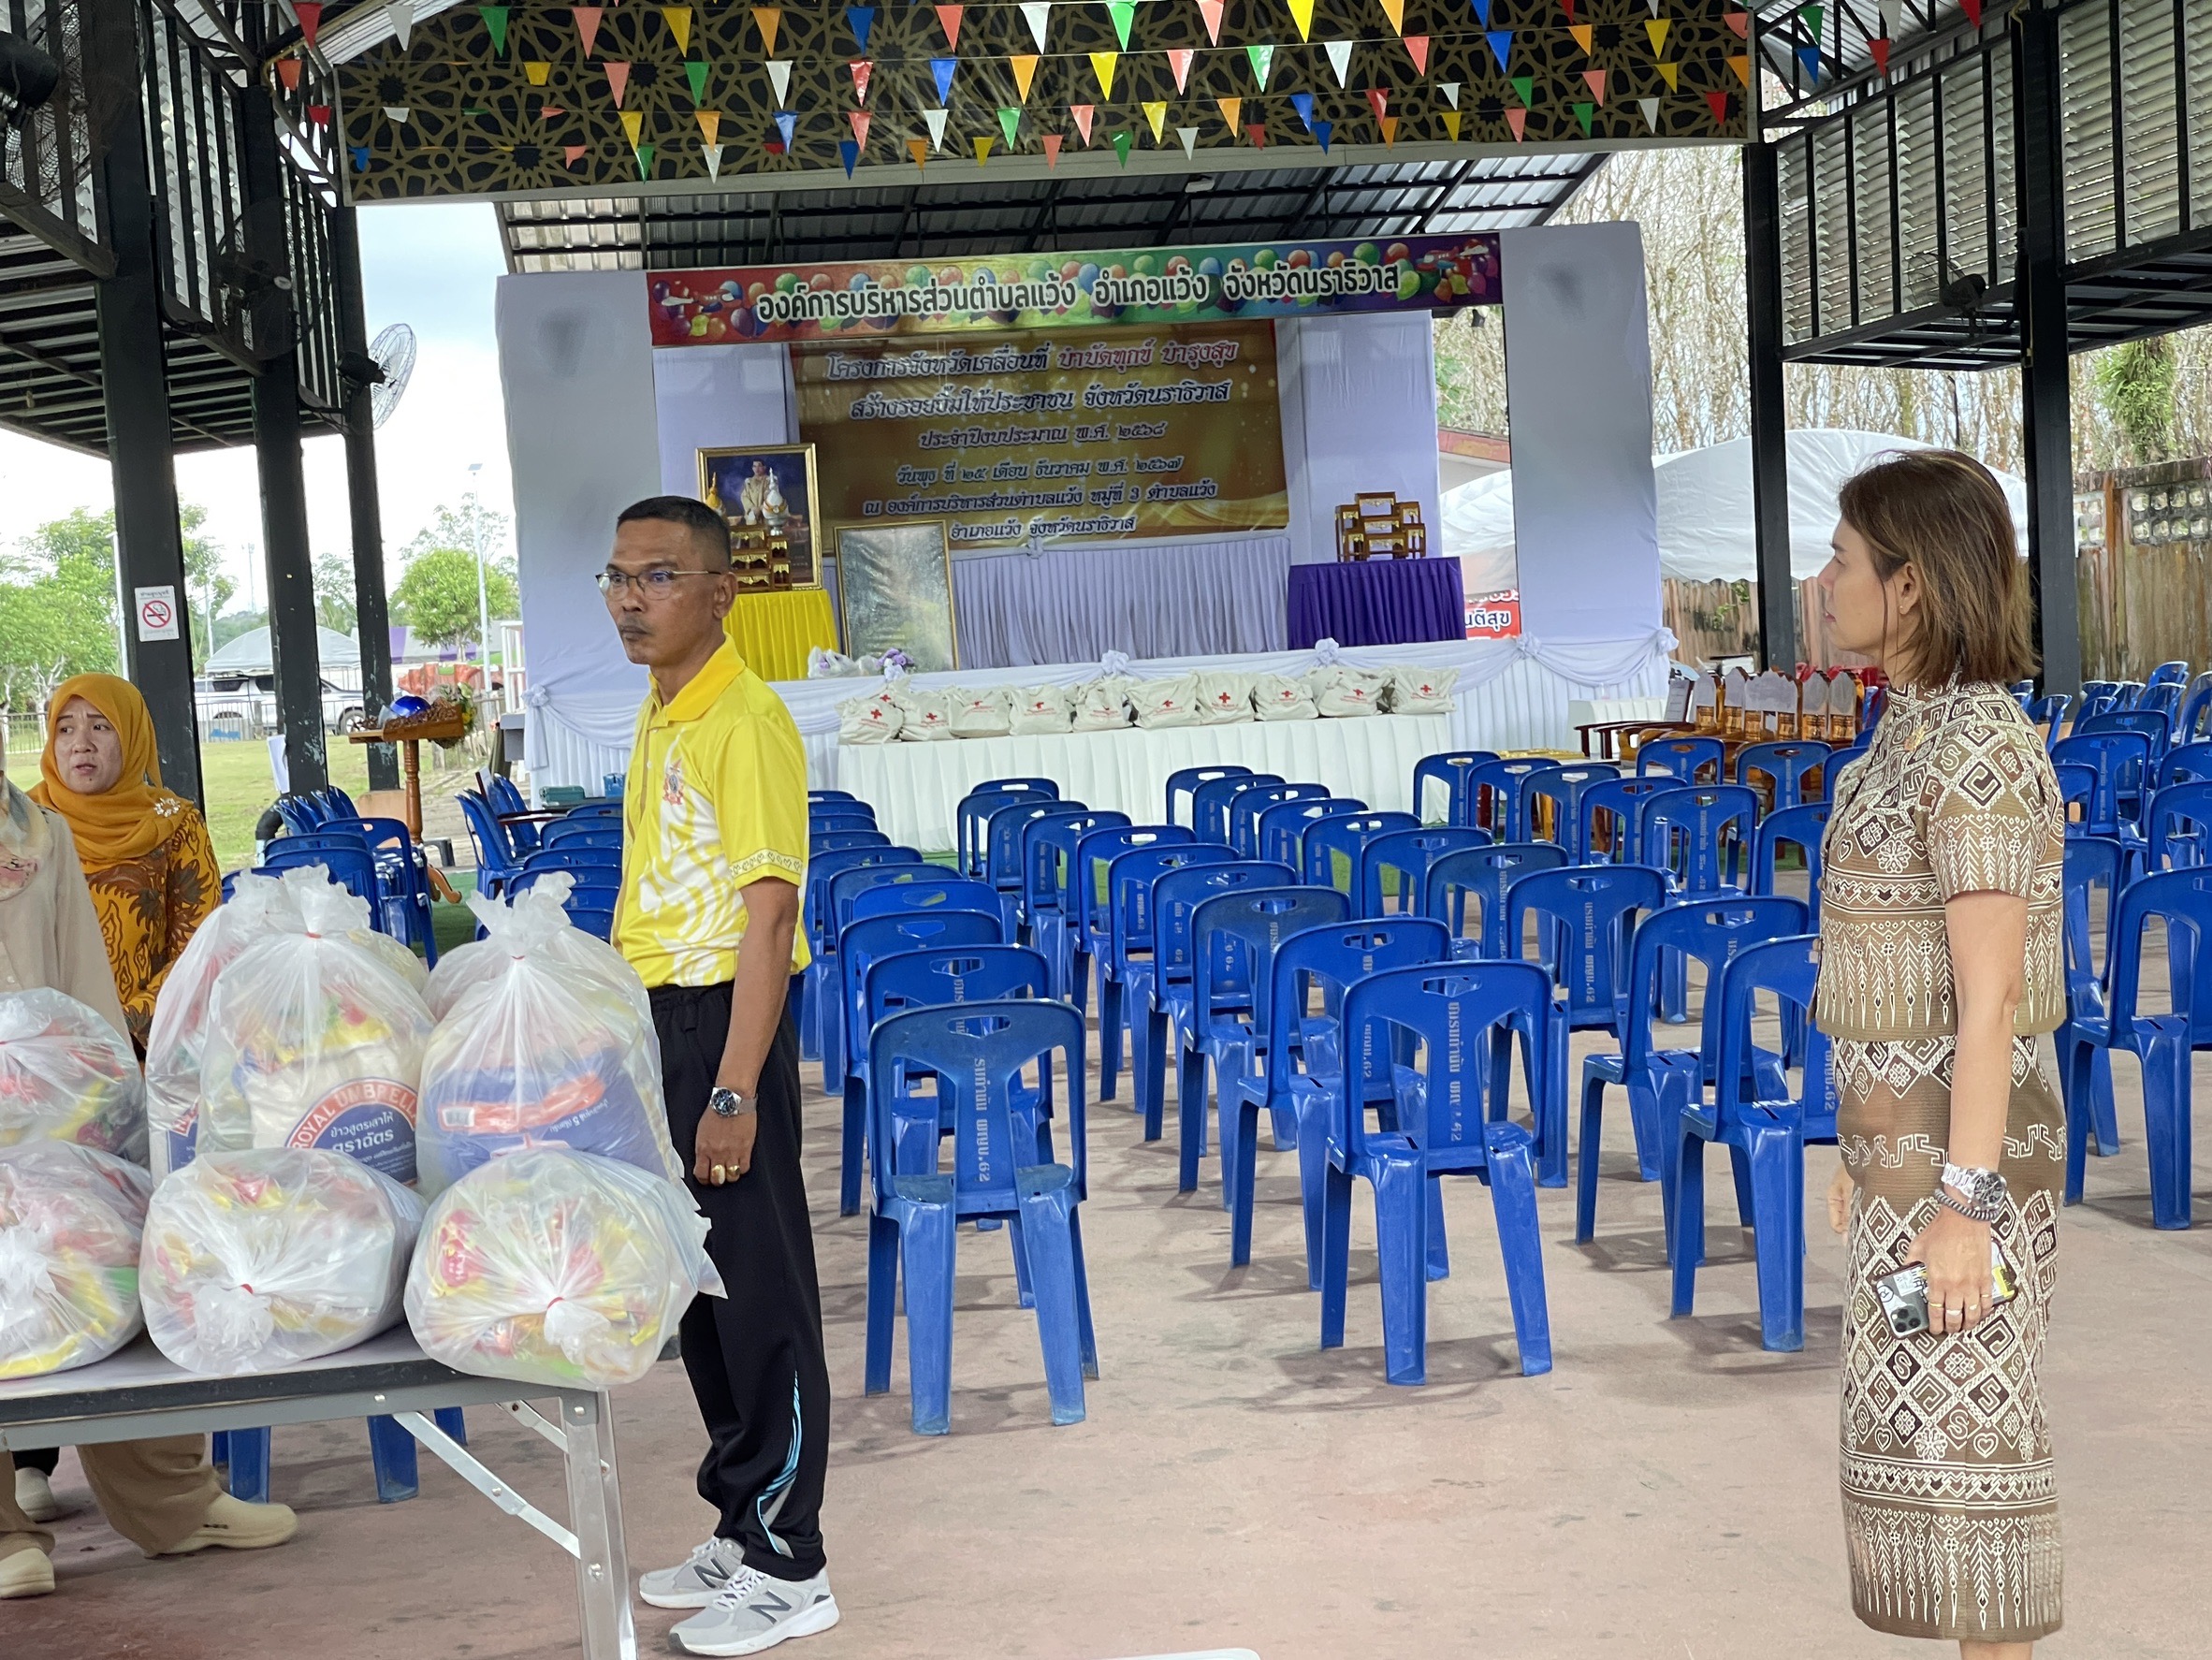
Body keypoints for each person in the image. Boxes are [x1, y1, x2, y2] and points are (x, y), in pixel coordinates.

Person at [1812, 450, 2066, 1656]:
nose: (1825, 579)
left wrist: (1962, 1206)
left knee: (1971, 1472)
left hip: (1969, 1189)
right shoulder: (1893, 744)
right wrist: (1864, 1153)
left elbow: (1992, 996)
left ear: (1908, 586)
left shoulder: (1979, 749)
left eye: (1844, 558)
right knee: (1915, 1460)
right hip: (1904, 1181)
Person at [602, 495, 837, 1657]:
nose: (629, 599)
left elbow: (770, 911)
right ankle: (740, 1530)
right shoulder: (662, 711)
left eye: (656, 576)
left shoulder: (745, 720)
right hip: (663, 1024)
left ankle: (795, 1560)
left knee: (760, 1293)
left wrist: (733, 1087)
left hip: (720, 1032)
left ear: (718, 591)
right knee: (701, 1293)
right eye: (617, 577)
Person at [0, 756, 294, 1598]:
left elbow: (85, 978)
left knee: (117, 1268)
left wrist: (104, 1099)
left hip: (54, 1106)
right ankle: (3, 1536)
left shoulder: (38, 832)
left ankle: (173, 1502)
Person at [32, 674, 221, 1053]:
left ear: (133, 737)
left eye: (100, 726)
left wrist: (120, 1028)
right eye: (65, 729)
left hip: (145, 1050)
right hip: (39, 1054)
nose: (80, 745)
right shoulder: (23, 825)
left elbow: (201, 947)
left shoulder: (175, 825)